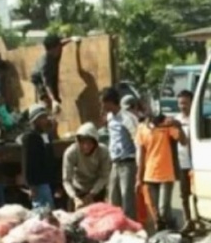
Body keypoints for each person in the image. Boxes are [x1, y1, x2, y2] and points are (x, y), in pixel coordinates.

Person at [136, 113, 187, 231]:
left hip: (166, 174)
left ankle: (173, 226)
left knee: (164, 209)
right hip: (149, 175)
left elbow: (183, 141)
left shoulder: (167, 127)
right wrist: (139, 178)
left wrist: (178, 126)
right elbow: (142, 156)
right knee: (156, 213)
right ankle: (163, 233)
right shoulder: (142, 129)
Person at [101, 87, 138, 219]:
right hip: (115, 163)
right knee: (113, 197)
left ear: (111, 102)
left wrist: (139, 166)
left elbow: (137, 141)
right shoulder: (110, 117)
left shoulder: (128, 118)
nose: (102, 106)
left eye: (104, 103)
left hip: (127, 163)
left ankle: (131, 228)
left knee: (127, 198)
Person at [62, 122, 112, 210]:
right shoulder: (71, 152)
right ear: (78, 141)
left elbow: (104, 176)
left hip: (96, 189)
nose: (86, 146)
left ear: (95, 142)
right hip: (77, 189)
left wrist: (92, 193)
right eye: (83, 142)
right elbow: (66, 180)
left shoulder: (103, 151)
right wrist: (74, 198)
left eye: (89, 143)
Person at [21, 104, 56, 209]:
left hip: (47, 180)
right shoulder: (29, 137)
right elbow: (27, 162)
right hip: (38, 183)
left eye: (45, 117)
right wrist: (31, 185)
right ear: (34, 121)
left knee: (49, 209)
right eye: (41, 118)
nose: (45, 120)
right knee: (42, 211)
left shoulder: (45, 135)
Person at [30, 34, 76, 113]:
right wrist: (53, 100)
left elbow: (61, 43)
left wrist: (71, 39)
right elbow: (47, 84)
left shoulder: (57, 50)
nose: (60, 49)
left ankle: (52, 110)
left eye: (59, 46)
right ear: (51, 49)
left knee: (56, 99)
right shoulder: (45, 64)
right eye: (58, 47)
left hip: (52, 74)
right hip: (38, 78)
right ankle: (43, 115)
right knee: (48, 101)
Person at [176, 90, 195, 232]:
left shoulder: (196, 119)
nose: (183, 106)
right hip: (182, 163)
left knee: (196, 193)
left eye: (185, 103)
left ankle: (199, 219)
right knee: (184, 194)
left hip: (196, 163)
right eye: (180, 103)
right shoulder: (176, 120)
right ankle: (189, 221)